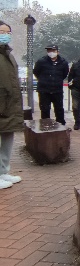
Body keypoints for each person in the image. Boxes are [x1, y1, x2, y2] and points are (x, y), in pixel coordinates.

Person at [0, 21, 24, 189]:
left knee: (7, 140)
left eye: (8, 32)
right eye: (2, 31)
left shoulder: (8, 54)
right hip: (2, 104)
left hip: (9, 105)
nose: (5, 35)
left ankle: (3, 171)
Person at [33, 44, 69, 125]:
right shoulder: (41, 61)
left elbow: (64, 74)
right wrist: (44, 80)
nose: (51, 52)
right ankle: (46, 125)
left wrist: (57, 80)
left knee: (59, 109)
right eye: (49, 51)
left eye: (53, 51)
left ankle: (61, 125)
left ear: (57, 52)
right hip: (44, 90)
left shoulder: (63, 62)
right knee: (45, 109)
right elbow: (36, 72)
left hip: (57, 90)